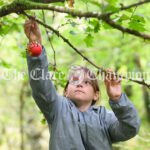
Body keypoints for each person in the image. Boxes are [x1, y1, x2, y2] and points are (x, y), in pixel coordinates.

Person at [24, 19, 140, 150]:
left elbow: (130, 128)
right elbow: (41, 86)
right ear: (66, 91)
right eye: (74, 80)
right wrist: (35, 45)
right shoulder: (57, 109)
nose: (79, 85)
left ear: (96, 95)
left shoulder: (104, 117)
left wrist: (117, 99)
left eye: (86, 82)